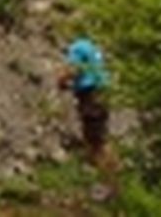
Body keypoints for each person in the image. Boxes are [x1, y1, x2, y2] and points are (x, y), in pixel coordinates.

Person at [59, 35, 119, 198]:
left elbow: (72, 69)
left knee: (97, 141)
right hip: (100, 93)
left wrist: (61, 81)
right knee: (96, 139)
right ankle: (104, 184)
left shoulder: (77, 46)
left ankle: (109, 187)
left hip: (90, 95)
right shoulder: (92, 47)